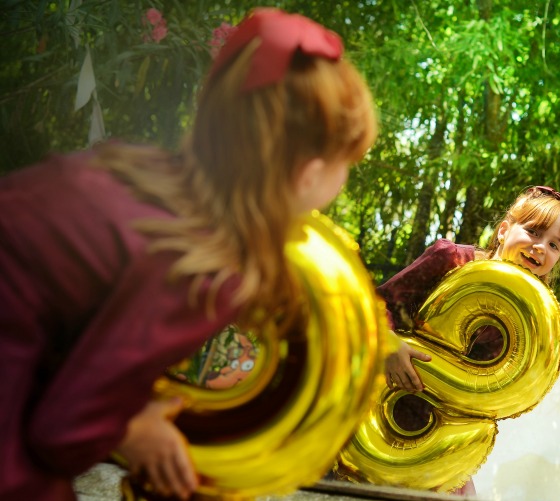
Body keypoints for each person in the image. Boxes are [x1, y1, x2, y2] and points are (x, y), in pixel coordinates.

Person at [0, 8, 376, 501]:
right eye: (348, 163)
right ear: (308, 175)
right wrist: (132, 430)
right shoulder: (201, 263)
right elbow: (64, 432)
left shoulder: (149, 180)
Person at [378, 185, 560, 495]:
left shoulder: (532, 322)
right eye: (533, 232)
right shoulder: (450, 260)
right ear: (504, 230)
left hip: (435, 440)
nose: (541, 247)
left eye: (554, 245)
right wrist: (387, 341)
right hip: (379, 407)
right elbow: (377, 304)